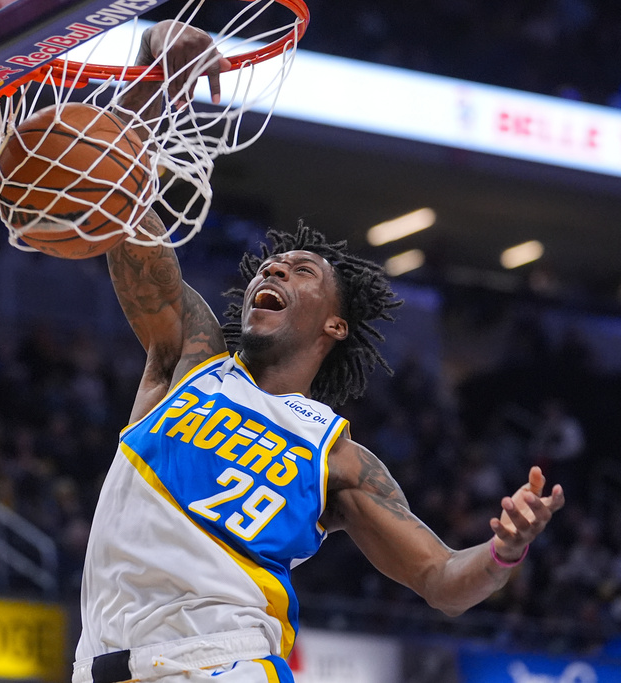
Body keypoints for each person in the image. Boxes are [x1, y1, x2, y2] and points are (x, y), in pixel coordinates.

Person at [70, 21, 566, 683]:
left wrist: (505, 549)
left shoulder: (337, 455)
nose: (272, 272)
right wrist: (152, 80)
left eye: (299, 270)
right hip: (105, 665)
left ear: (334, 325)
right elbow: (124, 210)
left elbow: (441, 578)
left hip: (224, 663)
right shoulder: (189, 358)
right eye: (268, 268)